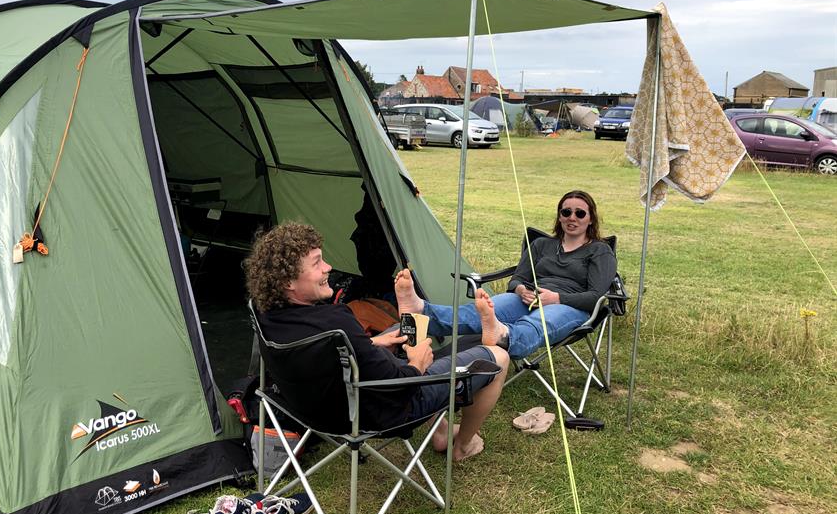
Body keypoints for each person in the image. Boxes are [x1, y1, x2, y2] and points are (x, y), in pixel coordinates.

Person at [245, 223, 509, 462]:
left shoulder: (266, 314)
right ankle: (463, 445)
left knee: (399, 333)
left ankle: (439, 429)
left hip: (312, 411)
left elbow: (327, 360)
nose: (328, 267)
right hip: (383, 411)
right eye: (316, 263)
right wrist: (417, 364)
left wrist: (373, 343)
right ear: (289, 281)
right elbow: (400, 385)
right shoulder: (337, 321)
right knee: (497, 357)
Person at [395, 190, 617, 359]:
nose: (572, 218)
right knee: (473, 315)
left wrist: (556, 298)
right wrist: (521, 290)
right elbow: (517, 279)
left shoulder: (599, 250)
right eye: (566, 212)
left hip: (570, 306)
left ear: (590, 218)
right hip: (527, 298)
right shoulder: (541, 245)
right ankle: (419, 313)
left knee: (535, 324)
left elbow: (596, 295)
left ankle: (502, 336)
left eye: (580, 213)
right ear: (559, 216)